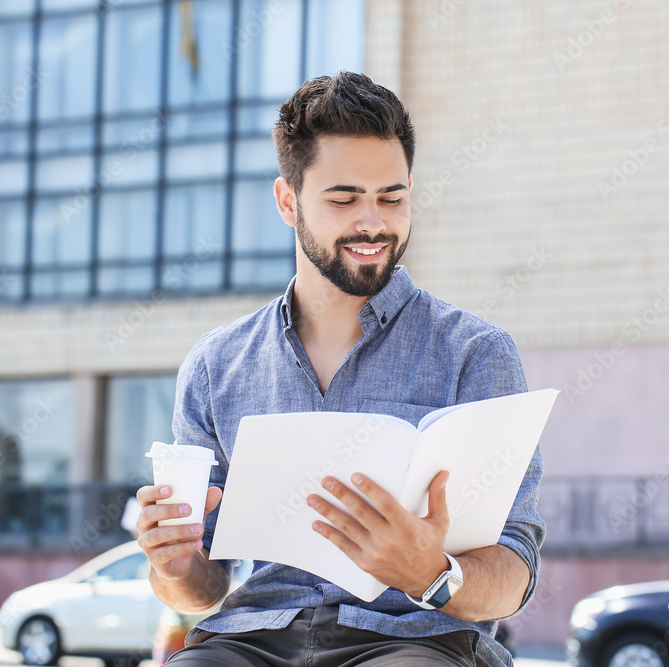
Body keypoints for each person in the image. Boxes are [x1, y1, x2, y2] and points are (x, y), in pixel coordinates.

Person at [136, 71, 545, 667]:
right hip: (253, 640)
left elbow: (512, 571)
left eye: (392, 197)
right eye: (344, 198)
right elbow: (205, 588)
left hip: (413, 641)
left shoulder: (475, 354)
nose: (373, 223)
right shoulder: (215, 366)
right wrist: (171, 565)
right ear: (287, 201)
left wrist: (431, 573)